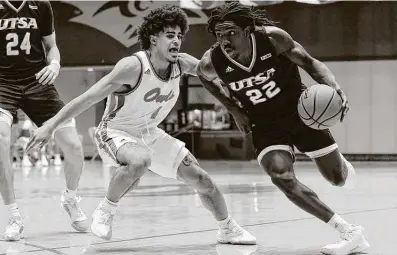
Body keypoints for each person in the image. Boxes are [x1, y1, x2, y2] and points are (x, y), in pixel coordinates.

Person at [26, 5, 256, 244]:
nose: (176, 40)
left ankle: (228, 229)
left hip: (150, 134)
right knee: (140, 160)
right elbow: (87, 98)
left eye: (179, 36)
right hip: (114, 132)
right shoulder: (133, 66)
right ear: (153, 39)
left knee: (202, 180)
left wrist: (241, 102)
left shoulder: (182, 64)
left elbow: (219, 77)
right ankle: (106, 210)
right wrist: (50, 125)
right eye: (170, 35)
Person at [196, 2, 369, 255]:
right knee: (281, 176)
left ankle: (339, 164)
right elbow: (203, 77)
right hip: (264, 123)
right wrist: (233, 109)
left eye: (231, 32)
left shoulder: (273, 40)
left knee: (337, 179)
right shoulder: (212, 62)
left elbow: (311, 63)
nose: (224, 40)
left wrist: (336, 88)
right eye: (219, 35)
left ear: (248, 31)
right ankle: (349, 231)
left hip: (299, 112)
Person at [0, 0, 88, 240]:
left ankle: (70, 200)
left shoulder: (41, 5)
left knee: (74, 147)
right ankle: (14, 216)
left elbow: (51, 46)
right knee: (0, 140)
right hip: (3, 83)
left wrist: (56, 64)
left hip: (38, 81)